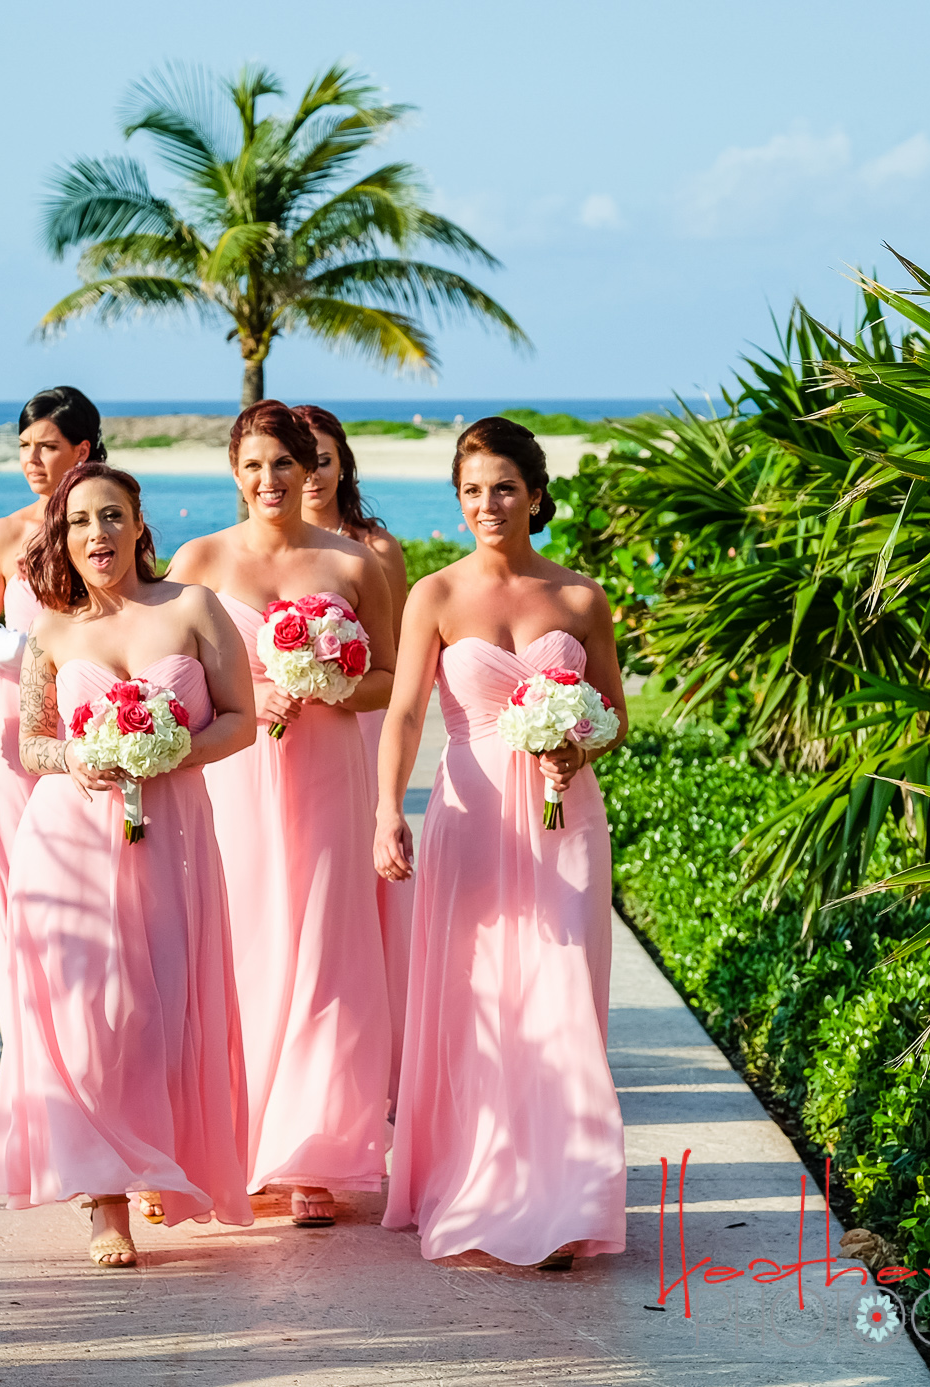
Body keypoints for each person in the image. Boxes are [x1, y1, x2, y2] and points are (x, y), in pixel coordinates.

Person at [374, 416, 629, 1271]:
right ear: (457, 500)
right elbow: (406, 711)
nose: (489, 503)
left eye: (505, 487)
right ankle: (482, 1183)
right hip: (473, 813)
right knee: (480, 999)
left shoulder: (581, 598)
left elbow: (617, 714)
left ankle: (559, 1198)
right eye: (473, 490)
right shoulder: (436, 596)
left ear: (537, 493)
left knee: (561, 997)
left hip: (566, 816)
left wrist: (579, 743)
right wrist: (386, 809)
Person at [0, 462, 257, 1268]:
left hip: (169, 840)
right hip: (67, 845)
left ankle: (145, 1154)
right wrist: (80, 753)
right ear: (62, 537)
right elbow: (29, 743)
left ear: (140, 523)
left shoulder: (193, 608)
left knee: (156, 1010)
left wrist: (171, 748)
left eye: (111, 516)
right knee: (87, 1013)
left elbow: (243, 721)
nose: (96, 535)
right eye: (78, 522)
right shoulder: (52, 629)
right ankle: (105, 1201)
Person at [167, 400, 396, 1229]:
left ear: (312, 471)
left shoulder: (351, 564)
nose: (270, 480)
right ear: (235, 470)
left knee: (325, 947)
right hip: (235, 772)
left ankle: (308, 1155)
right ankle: (225, 1145)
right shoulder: (198, 559)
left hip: (330, 769)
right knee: (240, 944)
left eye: (286, 465)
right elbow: (172, 673)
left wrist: (325, 682)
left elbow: (390, 681)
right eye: (255, 465)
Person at [0, 387, 101, 965]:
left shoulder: (107, 533)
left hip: (88, 727)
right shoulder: (2, 537)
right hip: (12, 732)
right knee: (19, 898)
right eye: (23, 446)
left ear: (82, 451)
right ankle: (26, 1043)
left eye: (47, 446)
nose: (31, 460)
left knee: (88, 893)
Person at [295, 403, 412, 1101]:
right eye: (296, 459)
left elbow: (389, 656)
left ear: (343, 464)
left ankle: (375, 1058)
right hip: (277, 734)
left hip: (357, 723)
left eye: (322, 459)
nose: (310, 473)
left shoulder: (373, 547)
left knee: (360, 889)